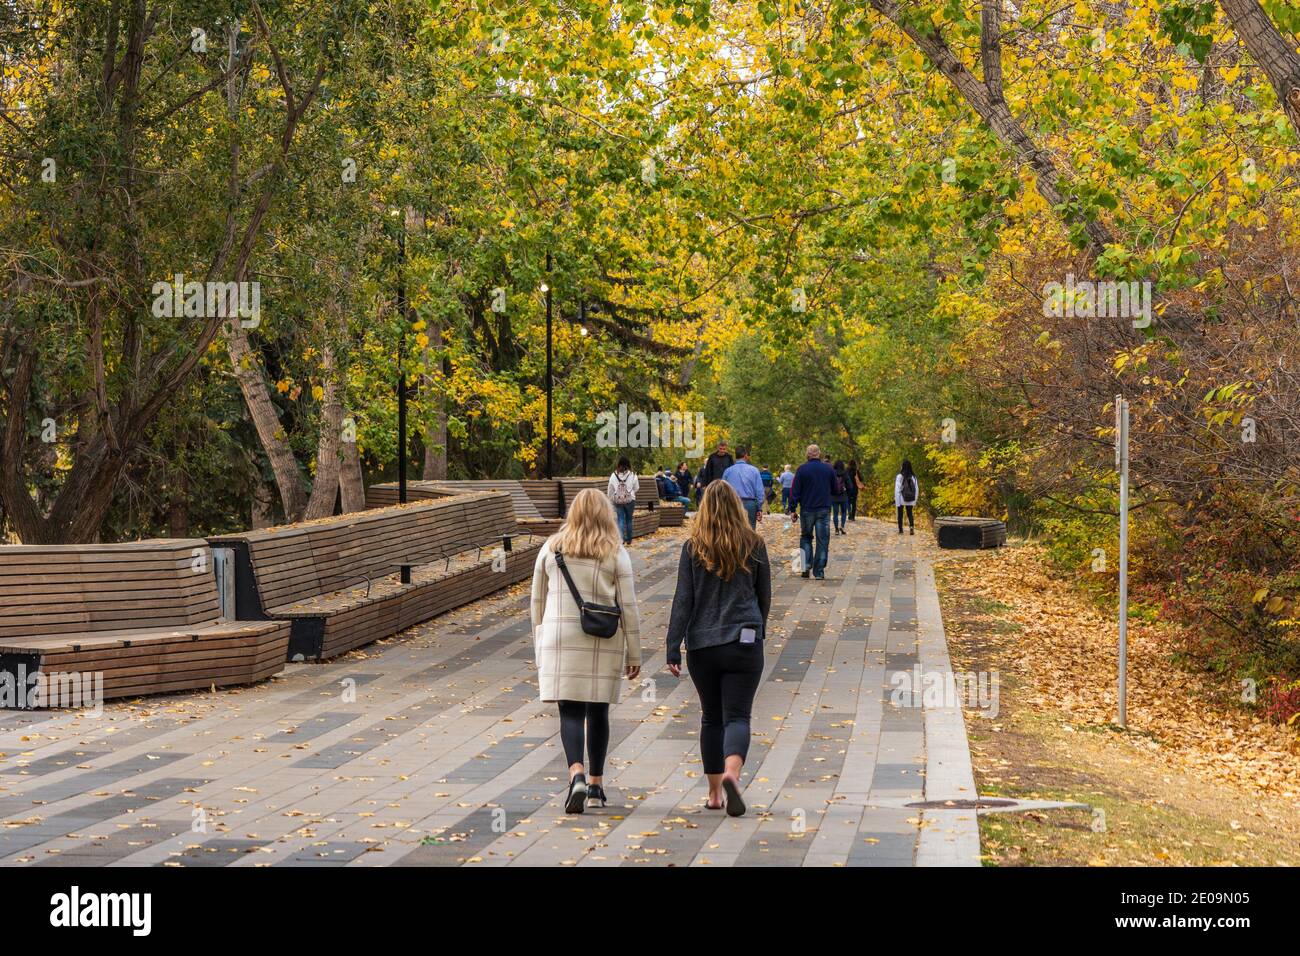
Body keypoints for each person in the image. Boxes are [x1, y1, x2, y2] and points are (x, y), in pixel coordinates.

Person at [531, 489, 642, 814]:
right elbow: (629, 606)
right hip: (602, 639)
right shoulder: (615, 553)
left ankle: (575, 773)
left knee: (569, 711)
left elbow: (536, 603)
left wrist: (540, 646)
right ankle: (595, 785)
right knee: (597, 712)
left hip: (559, 638)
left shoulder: (551, 549)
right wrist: (634, 654)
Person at [666, 481, 771, 817]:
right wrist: (758, 630)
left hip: (703, 645)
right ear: (737, 507)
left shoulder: (693, 548)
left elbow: (683, 600)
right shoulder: (754, 544)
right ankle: (733, 773)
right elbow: (763, 594)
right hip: (744, 640)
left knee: (711, 718)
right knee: (738, 715)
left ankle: (714, 795)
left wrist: (673, 646)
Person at [789, 444, 835, 580]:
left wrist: (792, 509)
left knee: (806, 537)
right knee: (822, 540)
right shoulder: (828, 469)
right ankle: (819, 571)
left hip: (807, 509)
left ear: (807, 454)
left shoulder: (802, 470)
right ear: (819, 454)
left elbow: (795, 490)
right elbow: (835, 488)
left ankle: (805, 566)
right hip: (823, 509)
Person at [722, 445, 764, 529]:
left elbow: (722, 491)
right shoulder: (754, 470)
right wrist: (759, 508)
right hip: (749, 504)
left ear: (735, 456)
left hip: (732, 503)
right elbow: (760, 492)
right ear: (745, 456)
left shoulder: (727, 471)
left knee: (732, 530)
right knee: (750, 531)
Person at [607, 456, 639, 545]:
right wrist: (630, 493)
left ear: (619, 464)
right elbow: (636, 488)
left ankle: (621, 540)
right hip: (630, 500)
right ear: (628, 464)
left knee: (620, 519)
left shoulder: (614, 475)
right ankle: (629, 540)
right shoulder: (633, 474)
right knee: (629, 520)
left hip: (618, 501)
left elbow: (610, 489)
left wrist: (610, 497)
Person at [895, 459, 920, 536]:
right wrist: (915, 500)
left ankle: (900, 530)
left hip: (901, 498)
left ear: (902, 466)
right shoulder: (914, 477)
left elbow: (897, 489)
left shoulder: (899, 476)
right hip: (910, 499)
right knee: (910, 514)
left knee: (900, 514)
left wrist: (897, 501)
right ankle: (911, 527)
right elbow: (916, 489)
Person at [831, 460, 849, 534]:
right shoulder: (845, 473)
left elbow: (829, 484)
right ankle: (842, 526)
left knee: (835, 513)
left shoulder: (832, 473)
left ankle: (836, 530)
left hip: (834, 496)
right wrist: (846, 489)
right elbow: (850, 485)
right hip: (844, 496)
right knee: (844, 512)